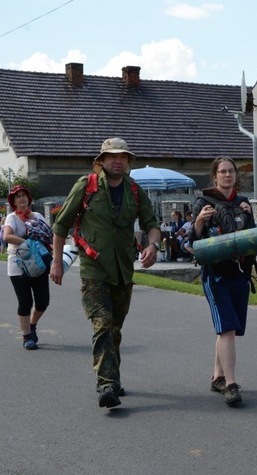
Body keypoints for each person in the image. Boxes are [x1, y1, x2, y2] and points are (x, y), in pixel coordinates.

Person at [50, 138, 161, 409]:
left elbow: (152, 223)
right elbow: (60, 226)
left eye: (123, 156)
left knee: (115, 328)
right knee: (102, 324)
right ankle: (106, 384)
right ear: (101, 161)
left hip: (123, 271)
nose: (118, 161)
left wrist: (153, 244)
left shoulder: (134, 190)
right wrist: (56, 262)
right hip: (94, 270)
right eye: (112, 156)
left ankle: (113, 377)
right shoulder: (85, 186)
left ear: (128, 161)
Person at [189, 156, 255, 406]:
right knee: (226, 328)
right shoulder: (203, 202)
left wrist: (249, 218)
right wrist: (198, 222)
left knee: (231, 328)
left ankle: (217, 376)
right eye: (222, 172)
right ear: (214, 176)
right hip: (216, 275)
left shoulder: (243, 203)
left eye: (231, 171)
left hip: (240, 273)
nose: (227, 175)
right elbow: (193, 243)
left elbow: (250, 238)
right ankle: (230, 384)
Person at [2, 185, 52, 351]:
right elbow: (7, 236)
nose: (22, 199)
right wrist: (28, 244)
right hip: (18, 265)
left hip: (39, 263)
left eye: (24, 196)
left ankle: (32, 325)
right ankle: (26, 336)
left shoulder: (37, 216)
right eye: (18, 197)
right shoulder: (12, 218)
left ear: (29, 199)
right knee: (25, 302)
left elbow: (48, 234)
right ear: (14, 201)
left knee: (43, 300)